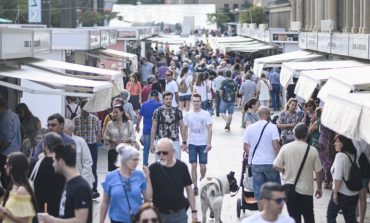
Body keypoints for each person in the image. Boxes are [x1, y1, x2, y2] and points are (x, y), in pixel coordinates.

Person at [273, 123, 323, 223]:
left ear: (294, 134)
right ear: (307, 135)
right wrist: (319, 188)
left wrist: (284, 170)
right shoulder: (312, 150)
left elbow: (275, 166)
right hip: (306, 191)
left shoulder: (285, 148)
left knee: (294, 218)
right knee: (309, 217)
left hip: (290, 190)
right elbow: (318, 172)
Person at [37, 144, 92, 223]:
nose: (53, 164)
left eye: (54, 161)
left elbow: (81, 220)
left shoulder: (80, 187)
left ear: (61, 162)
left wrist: (52, 220)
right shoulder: (69, 183)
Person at [100, 144, 152, 223]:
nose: (137, 162)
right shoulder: (110, 176)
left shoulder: (139, 175)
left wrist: (148, 177)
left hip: (136, 219)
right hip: (117, 220)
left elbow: (147, 198)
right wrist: (101, 221)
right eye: (134, 160)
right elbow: (105, 201)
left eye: (137, 160)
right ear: (125, 159)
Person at [149, 138, 198, 223]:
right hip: (159, 215)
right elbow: (147, 196)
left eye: (165, 153)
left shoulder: (182, 167)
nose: (161, 155)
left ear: (172, 152)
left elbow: (189, 190)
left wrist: (194, 211)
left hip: (178, 215)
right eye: (158, 152)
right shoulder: (153, 169)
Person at [243, 106, 281, 210]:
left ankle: (262, 216)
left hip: (256, 163)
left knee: (259, 192)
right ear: (266, 115)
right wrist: (280, 160)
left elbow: (246, 146)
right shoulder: (272, 127)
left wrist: (251, 158)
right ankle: (273, 216)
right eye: (269, 114)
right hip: (271, 163)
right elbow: (276, 145)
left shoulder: (250, 128)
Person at [183, 93, 213, 196]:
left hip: (203, 143)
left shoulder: (206, 114)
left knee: (203, 166)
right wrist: (185, 142)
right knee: (193, 165)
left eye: (198, 101)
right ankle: (195, 186)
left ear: (200, 102)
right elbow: (185, 129)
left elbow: (209, 128)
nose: (196, 103)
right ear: (192, 102)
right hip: (192, 143)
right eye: (194, 101)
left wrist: (209, 143)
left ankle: (202, 178)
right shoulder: (187, 114)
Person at [326, 135, 360, 223]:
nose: (335, 144)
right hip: (353, 193)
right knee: (350, 219)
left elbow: (338, 177)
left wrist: (335, 193)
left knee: (330, 216)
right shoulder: (353, 155)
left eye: (337, 142)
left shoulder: (340, 156)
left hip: (341, 193)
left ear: (343, 144)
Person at [31, 132, 65, 217]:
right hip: (61, 208)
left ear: (46, 147)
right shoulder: (66, 164)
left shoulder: (36, 164)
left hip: (40, 208)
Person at [73, 99, 101, 198]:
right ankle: (82, 188)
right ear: (81, 108)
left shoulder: (95, 119)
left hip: (91, 145)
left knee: (93, 167)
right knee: (80, 166)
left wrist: (96, 141)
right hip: (80, 146)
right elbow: (74, 132)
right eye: (85, 107)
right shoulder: (76, 119)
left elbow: (98, 132)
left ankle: (93, 189)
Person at [0, 152, 37, 223]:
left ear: (13, 167)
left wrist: (6, 213)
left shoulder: (22, 190)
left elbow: (24, 221)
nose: (5, 166)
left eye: (7, 164)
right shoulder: (14, 186)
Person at [150, 91, 186, 160]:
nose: (169, 100)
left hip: (174, 140)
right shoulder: (157, 111)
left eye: (170, 99)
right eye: (167, 99)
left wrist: (184, 142)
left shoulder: (177, 111)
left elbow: (182, 127)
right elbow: (153, 128)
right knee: (159, 165)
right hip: (160, 140)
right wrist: (152, 143)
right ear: (163, 100)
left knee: (177, 163)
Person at [104, 104, 138, 171]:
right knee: (113, 172)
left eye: (117, 112)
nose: (115, 114)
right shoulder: (110, 124)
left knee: (125, 171)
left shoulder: (129, 123)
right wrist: (112, 140)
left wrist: (127, 140)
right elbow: (105, 136)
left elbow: (133, 136)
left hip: (126, 151)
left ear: (122, 112)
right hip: (113, 151)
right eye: (114, 112)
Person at [64, 119, 94, 189]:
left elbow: (87, 162)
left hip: (82, 180)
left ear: (71, 130)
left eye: (63, 129)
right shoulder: (58, 141)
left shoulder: (80, 141)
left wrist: (81, 180)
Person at [136, 91, 162, 166]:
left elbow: (139, 116)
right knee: (157, 147)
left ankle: (145, 164)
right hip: (156, 130)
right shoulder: (159, 105)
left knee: (146, 148)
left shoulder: (144, 104)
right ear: (157, 97)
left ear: (150, 96)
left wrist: (137, 125)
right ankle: (158, 163)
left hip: (146, 129)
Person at [0, 97, 21, 189]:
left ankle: (6, 199)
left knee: (6, 179)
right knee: (11, 178)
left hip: (6, 153)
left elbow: (6, 141)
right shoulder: (13, 115)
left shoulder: (5, 119)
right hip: (15, 151)